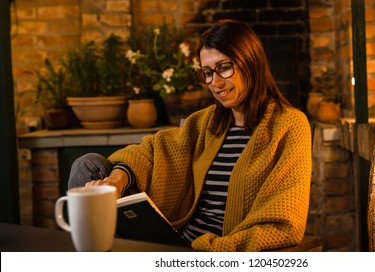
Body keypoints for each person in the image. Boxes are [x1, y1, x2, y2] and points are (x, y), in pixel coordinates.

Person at [68, 19, 312, 252]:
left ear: (251, 62)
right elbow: (152, 150)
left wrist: (207, 250)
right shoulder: (206, 122)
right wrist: (117, 180)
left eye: (224, 68)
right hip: (175, 240)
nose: (214, 82)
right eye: (207, 72)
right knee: (87, 165)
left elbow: (285, 224)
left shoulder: (289, 125)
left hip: (212, 250)